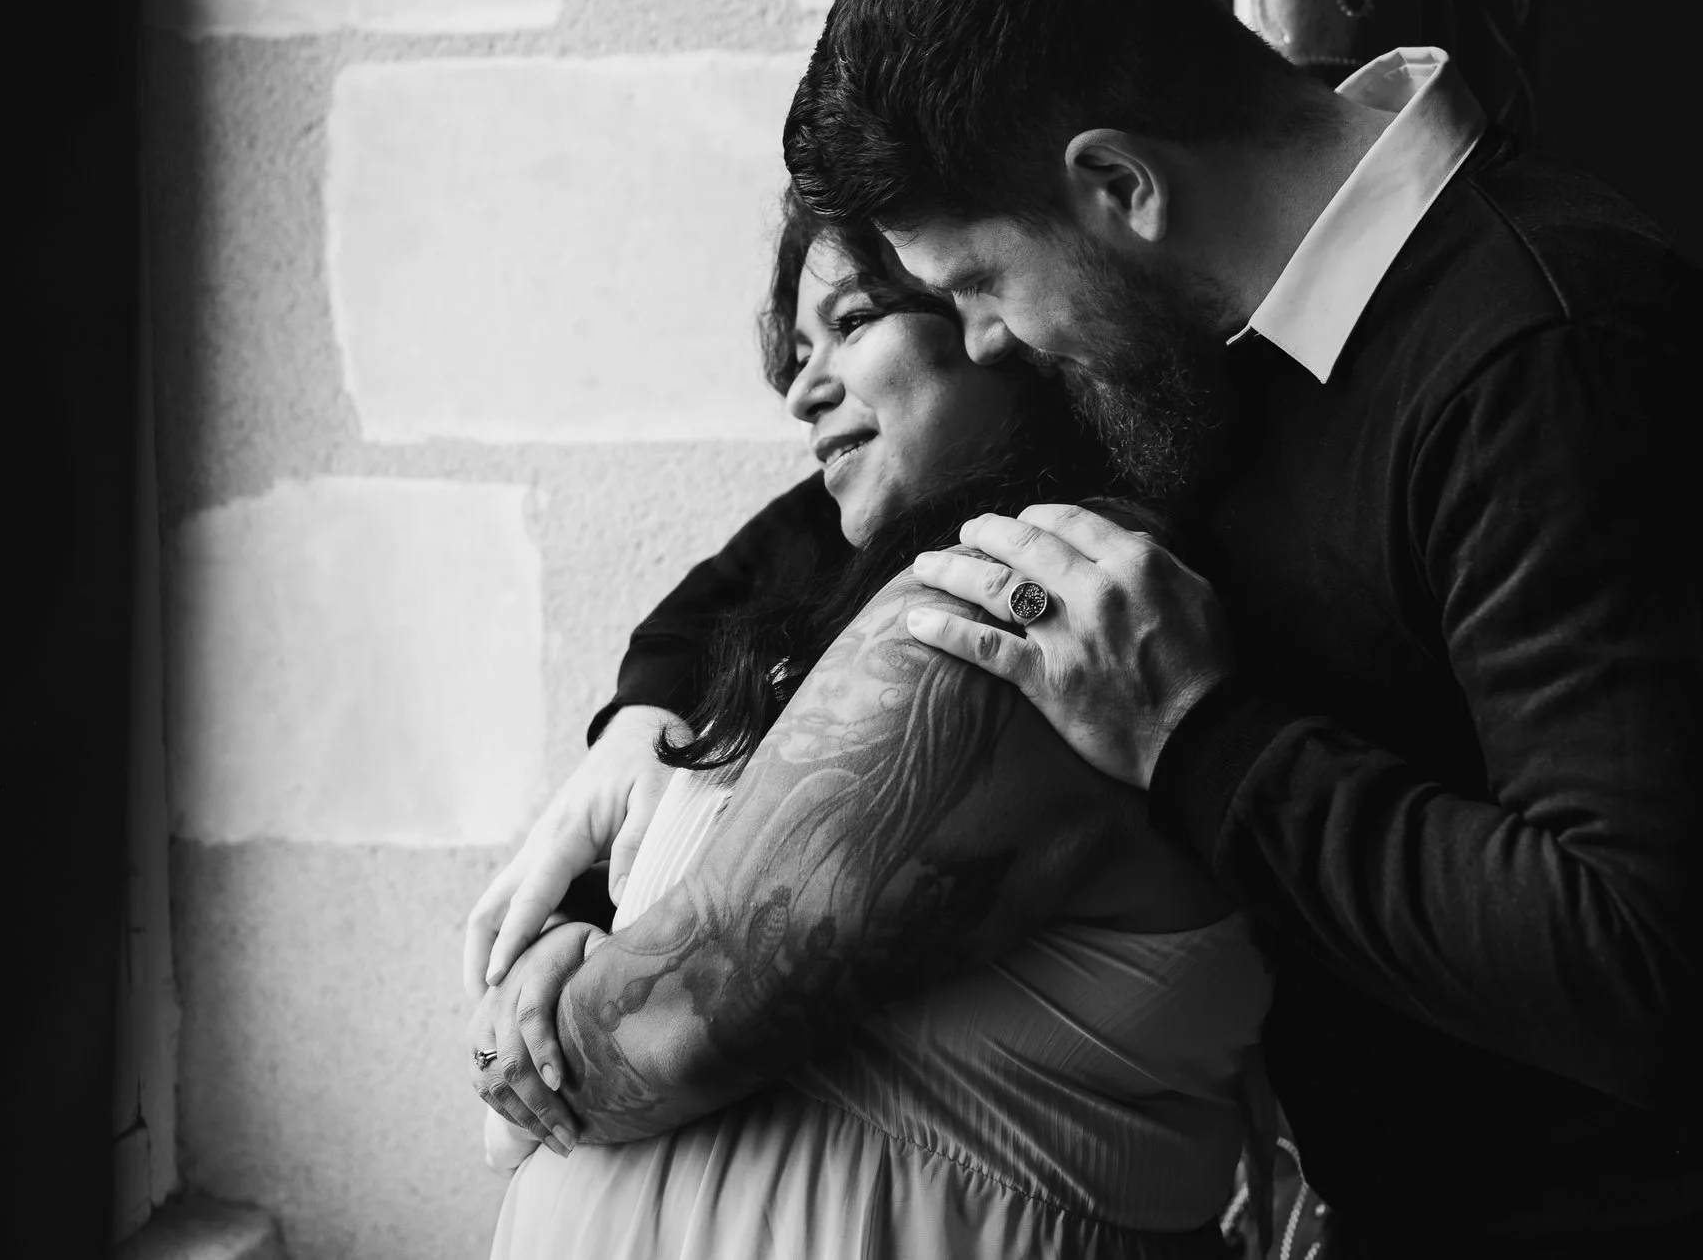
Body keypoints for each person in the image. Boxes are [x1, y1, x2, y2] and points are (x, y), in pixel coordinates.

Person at [477, 0, 1703, 1256]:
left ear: (1117, 184)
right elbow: (837, 515)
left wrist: (1199, 736)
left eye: (976, 282)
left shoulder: (1544, 355)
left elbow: (1640, 962)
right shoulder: (1214, 365)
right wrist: (645, 719)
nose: (981, 339)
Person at [467, 201, 1273, 1259]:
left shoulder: (1018, 608)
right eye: (795, 353)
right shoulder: (858, 593)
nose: (802, 390)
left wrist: (532, 1028)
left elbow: (664, 1033)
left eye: (851, 323)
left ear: (995, 313)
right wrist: (589, 908)